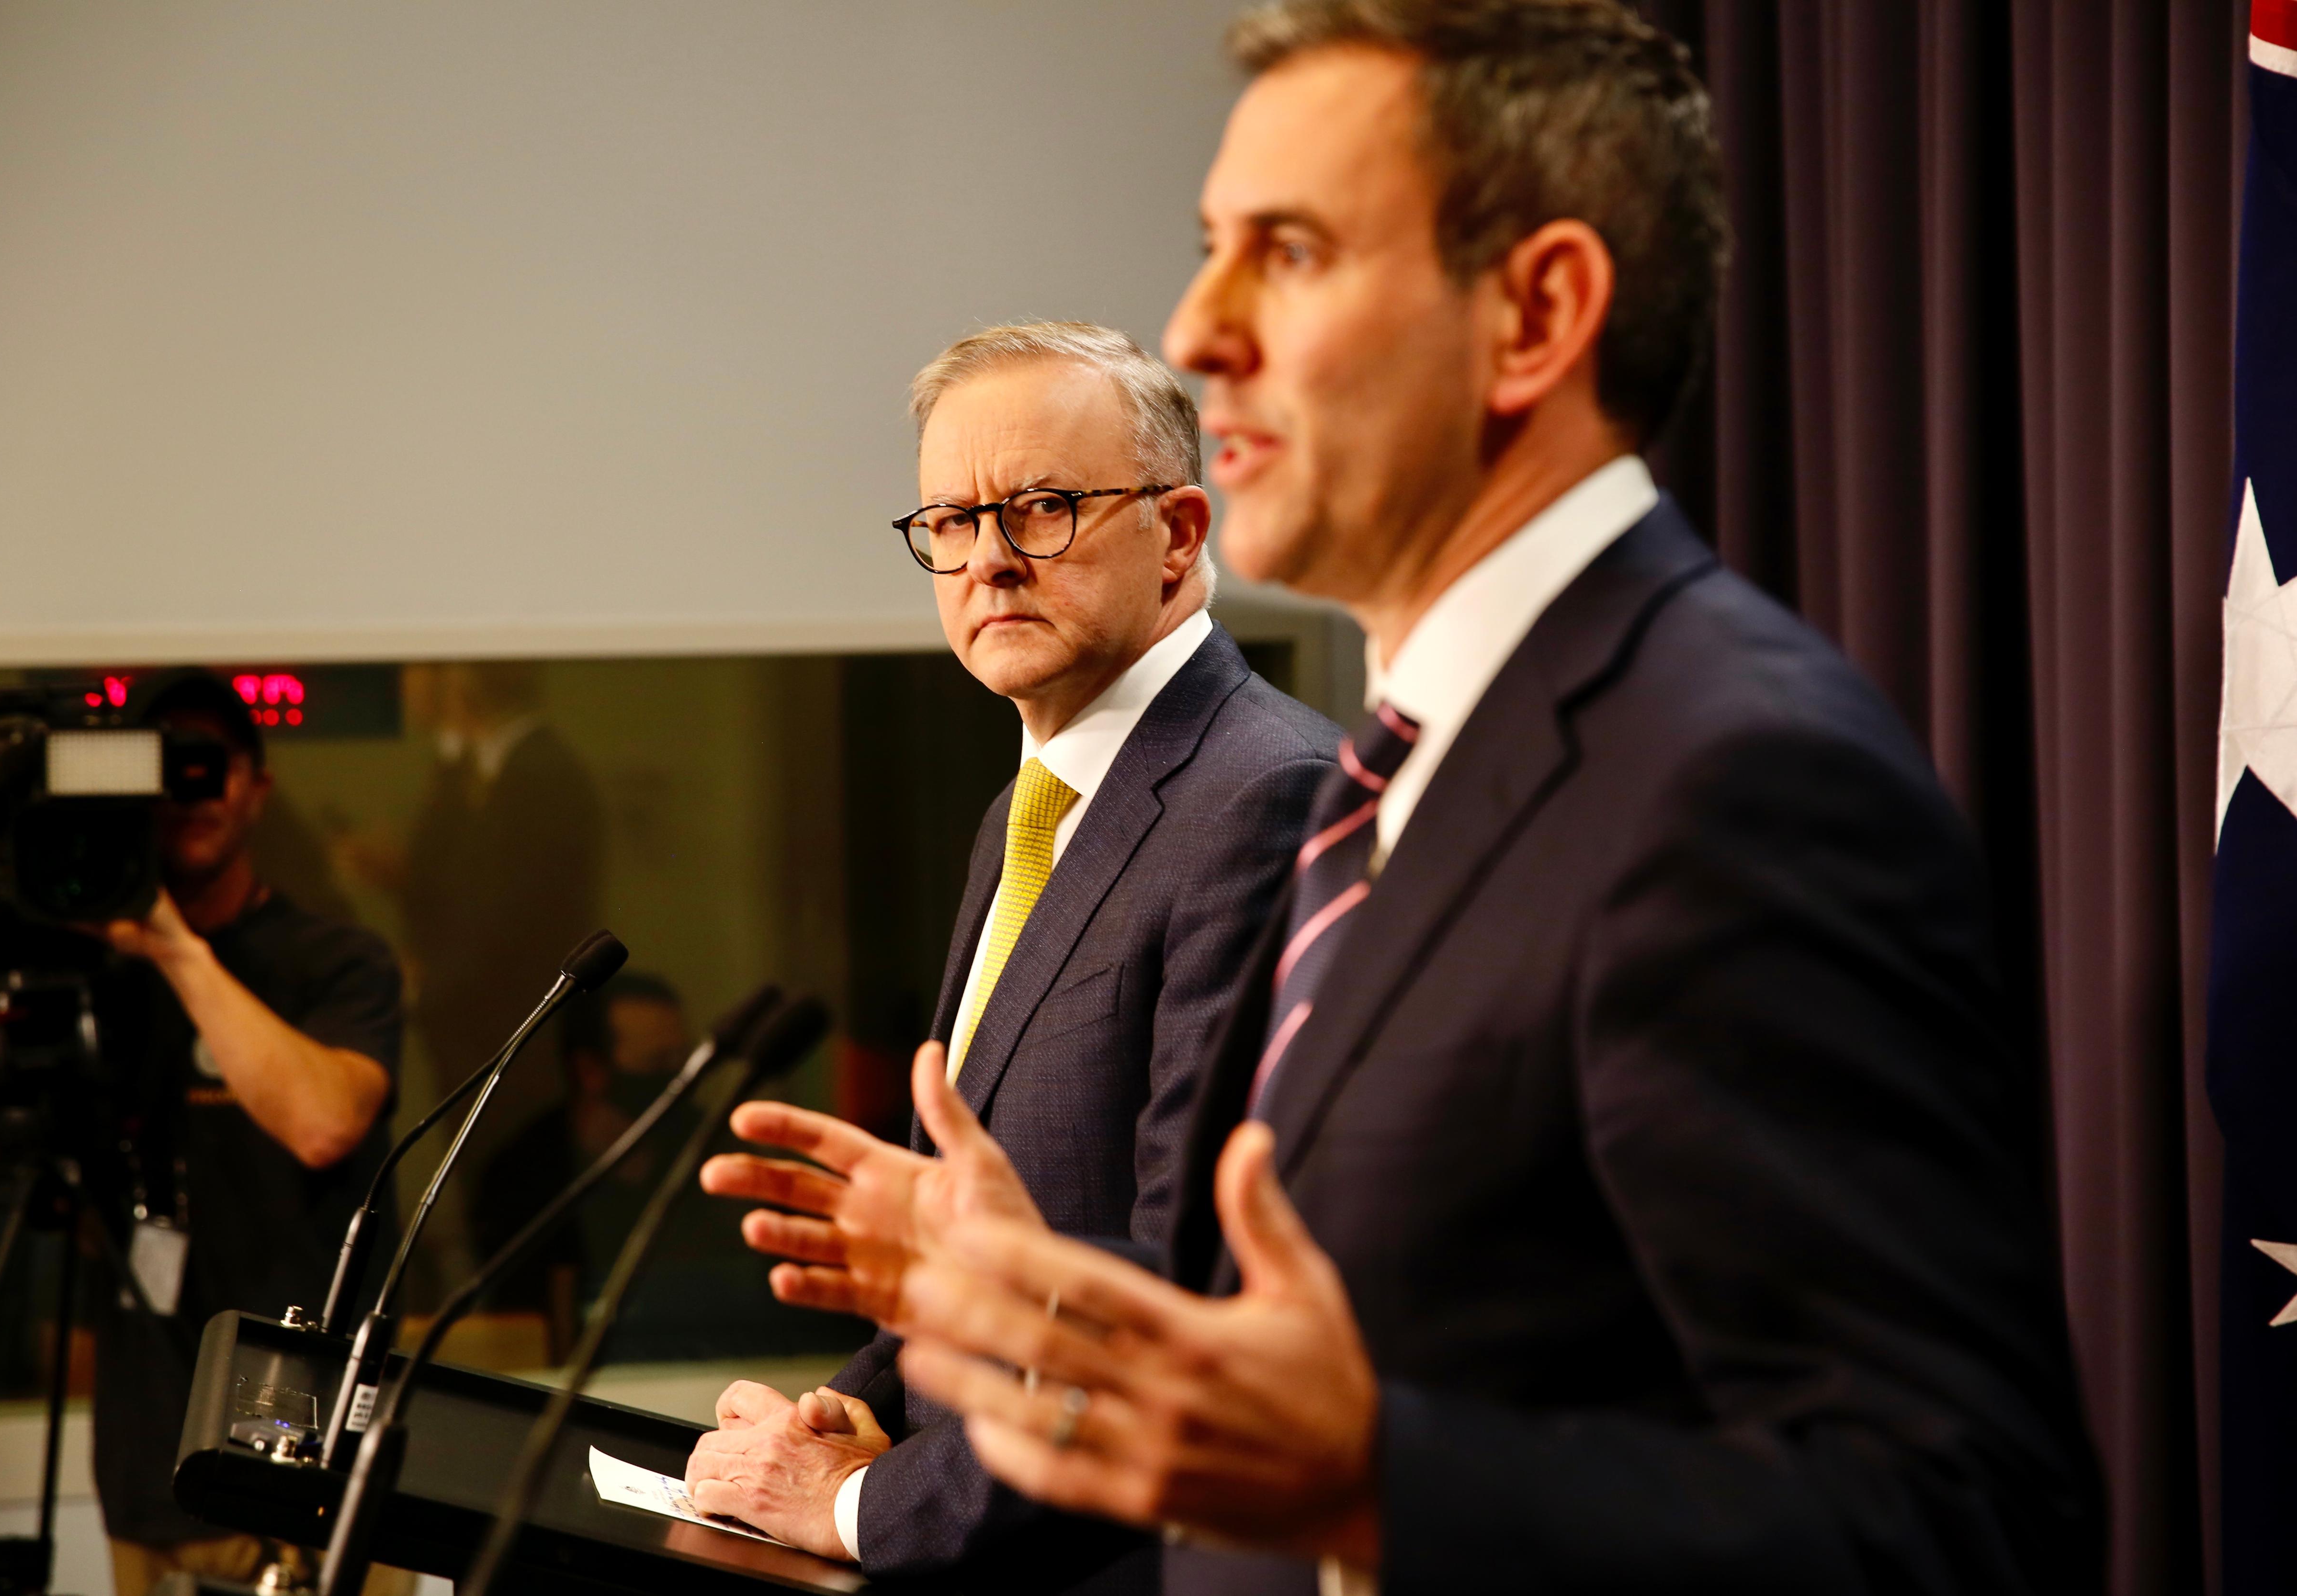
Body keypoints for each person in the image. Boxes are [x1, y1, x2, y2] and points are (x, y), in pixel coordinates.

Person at [703, 5, 2105, 1594]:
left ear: (1536, 316)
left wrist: (1377, 1476)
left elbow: (1967, 1517)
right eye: (1212, 247)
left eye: (1288, 253)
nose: (1202, 325)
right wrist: (1032, 1313)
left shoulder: (1733, 772)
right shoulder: (1416, 768)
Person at [685, 321, 1340, 1588]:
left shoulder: (1264, 795)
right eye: (951, 521)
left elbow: (1189, 1303)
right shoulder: (1029, 803)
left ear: (1183, 534)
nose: (986, 559)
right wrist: (851, 1403)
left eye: (1041, 508)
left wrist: (873, 1503)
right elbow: (971, 1219)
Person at [0, 670, 408, 1596]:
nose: (187, 793)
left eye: (205, 765)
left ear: (259, 783)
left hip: (309, 1462)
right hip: (149, 1458)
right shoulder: (84, 966)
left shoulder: (335, 959)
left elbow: (325, 1122)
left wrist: (173, 945)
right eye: (159, 770)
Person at [470, 970, 691, 1354]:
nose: (678, 1076)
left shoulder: (703, 1145)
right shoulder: (524, 1174)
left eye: (682, 1057)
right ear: (591, 1070)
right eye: (658, 1061)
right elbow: (524, 1326)